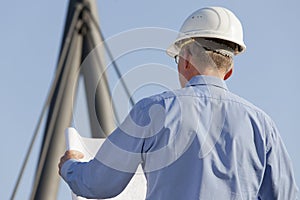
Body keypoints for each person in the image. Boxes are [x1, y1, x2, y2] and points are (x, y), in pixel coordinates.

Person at [59, 6, 299, 199]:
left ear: (185, 60)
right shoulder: (263, 126)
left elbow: (98, 184)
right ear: (229, 71)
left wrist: (71, 166)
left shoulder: (151, 111)